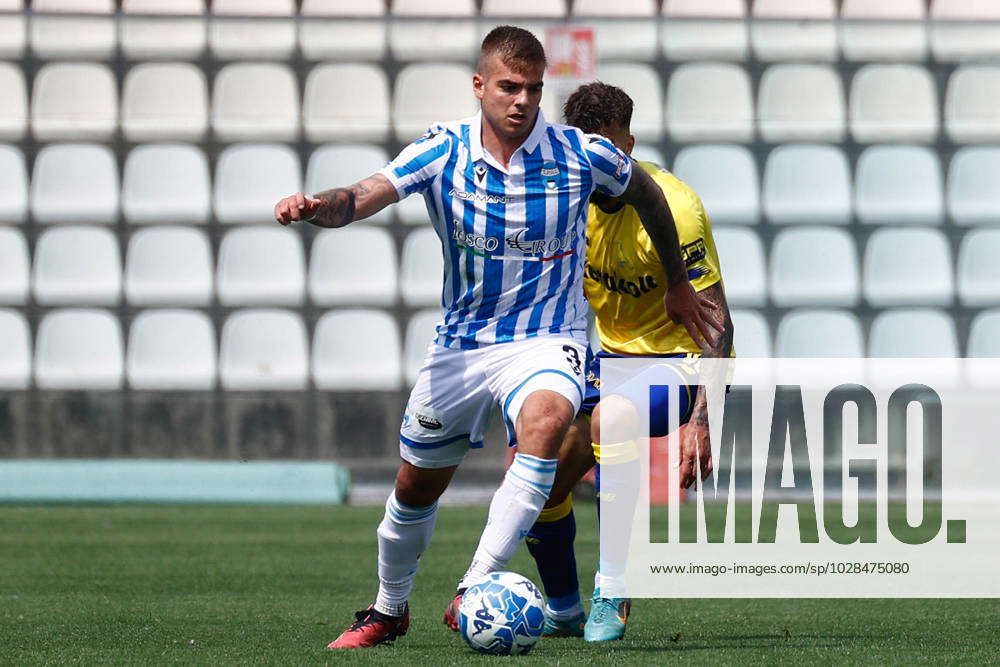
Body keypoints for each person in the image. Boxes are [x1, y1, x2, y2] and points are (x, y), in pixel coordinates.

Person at [274, 27, 721, 649]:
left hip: (548, 340)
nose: (521, 101)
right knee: (415, 485)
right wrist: (319, 207)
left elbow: (645, 191)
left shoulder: (577, 154)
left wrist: (677, 281)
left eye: (533, 89)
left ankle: (477, 585)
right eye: (509, 87)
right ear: (480, 86)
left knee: (548, 420)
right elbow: (365, 193)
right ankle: (388, 608)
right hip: (461, 343)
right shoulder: (443, 150)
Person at [521, 82, 735, 642]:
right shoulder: (562, 202)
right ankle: (564, 607)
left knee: (611, 416)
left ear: (630, 144)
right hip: (605, 358)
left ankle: (612, 589)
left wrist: (704, 419)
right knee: (538, 472)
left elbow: (718, 323)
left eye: (613, 150)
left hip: (677, 362)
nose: (602, 164)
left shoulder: (675, 209)